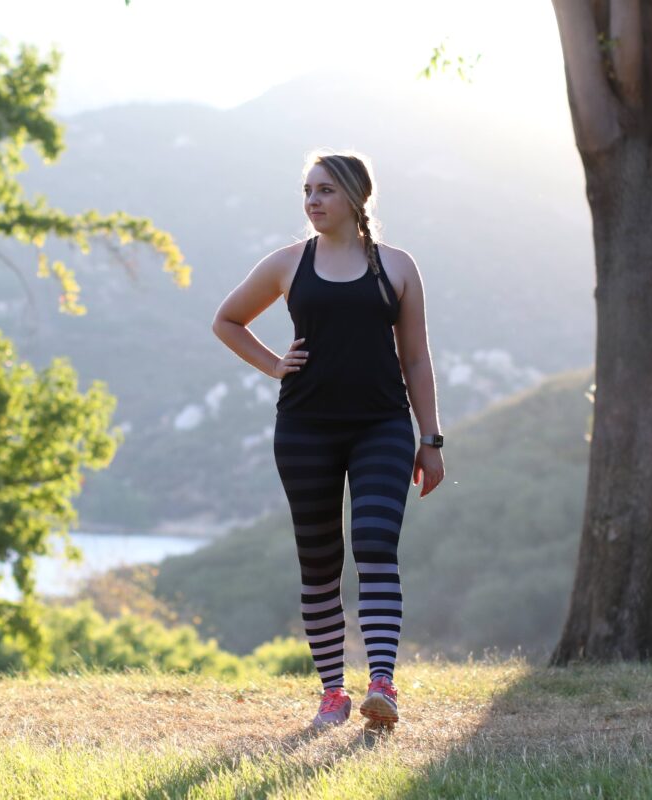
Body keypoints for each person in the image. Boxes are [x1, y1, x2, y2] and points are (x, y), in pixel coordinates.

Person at [211, 150, 444, 732]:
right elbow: (227, 320)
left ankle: (382, 684)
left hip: (382, 427)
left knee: (374, 545)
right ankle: (332, 694)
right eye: (307, 190)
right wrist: (274, 365)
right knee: (318, 563)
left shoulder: (397, 267)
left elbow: (415, 358)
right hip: (305, 429)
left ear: (356, 198)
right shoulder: (289, 264)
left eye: (325, 190)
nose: (313, 201)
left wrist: (431, 438)